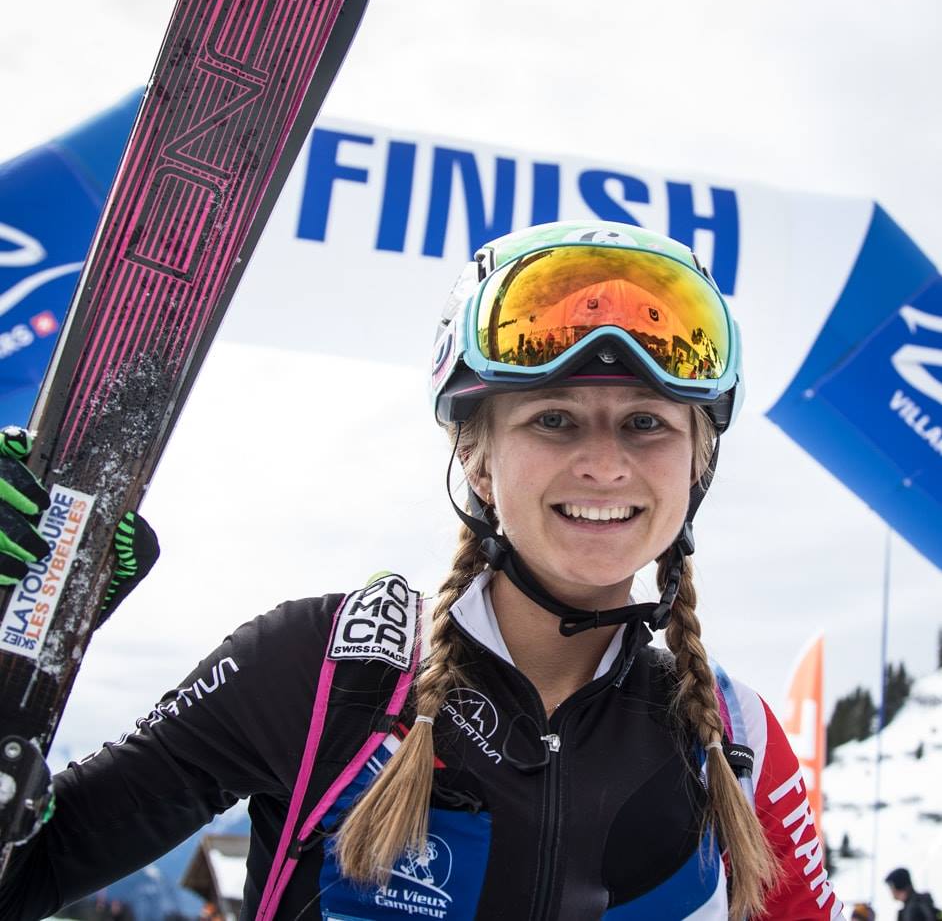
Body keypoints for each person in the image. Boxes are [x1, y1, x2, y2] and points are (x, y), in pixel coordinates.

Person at [0, 221, 844, 920]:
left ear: (697, 463)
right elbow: (22, 875)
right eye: (553, 419)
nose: (604, 464)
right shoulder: (325, 671)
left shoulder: (731, 741)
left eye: (647, 424)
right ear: (477, 461)